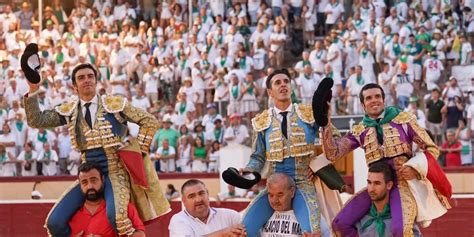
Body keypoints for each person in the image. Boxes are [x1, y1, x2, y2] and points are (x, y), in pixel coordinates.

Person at [23, 61, 169, 235]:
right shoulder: (70, 109)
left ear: (96, 80)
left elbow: (149, 121)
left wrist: (138, 152)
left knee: (119, 217)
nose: (87, 80)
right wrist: (33, 89)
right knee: (54, 222)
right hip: (87, 175)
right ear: (74, 85)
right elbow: (36, 120)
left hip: (115, 171)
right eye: (81, 78)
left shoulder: (114, 104)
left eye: (90, 76)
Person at [320, 83, 451, 236]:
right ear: (363, 105)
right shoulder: (360, 130)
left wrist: (415, 169)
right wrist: (325, 122)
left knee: (399, 230)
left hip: (402, 185)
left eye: (377, 96)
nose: (374, 100)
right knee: (340, 224)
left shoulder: (403, 121)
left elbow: (432, 148)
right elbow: (332, 154)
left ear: (384, 100)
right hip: (376, 185)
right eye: (369, 98)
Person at [239, 69, 339, 236]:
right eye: (278, 83)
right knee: (242, 229)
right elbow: (258, 156)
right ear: (270, 92)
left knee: (312, 232)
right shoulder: (261, 121)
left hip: (304, 183)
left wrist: (318, 165)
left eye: (286, 81)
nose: (283, 84)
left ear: (291, 87)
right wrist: (249, 170)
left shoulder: (309, 113)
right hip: (275, 185)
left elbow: (335, 141)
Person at [69, 163, 146, 237]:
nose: (90, 186)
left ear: (102, 179)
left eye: (93, 180)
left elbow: (141, 235)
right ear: (80, 184)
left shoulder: (122, 207)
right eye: (84, 182)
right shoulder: (71, 214)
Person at [355, 162, 422, 237]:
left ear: (389, 185)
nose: (371, 189)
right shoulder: (361, 218)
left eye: (377, 183)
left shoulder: (403, 220)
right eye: (369, 182)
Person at [168, 179, 246, 236]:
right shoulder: (178, 220)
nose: (198, 199)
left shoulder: (230, 215)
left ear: (208, 195)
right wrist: (223, 233)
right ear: (184, 201)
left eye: (201, 193)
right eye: (191, 196)